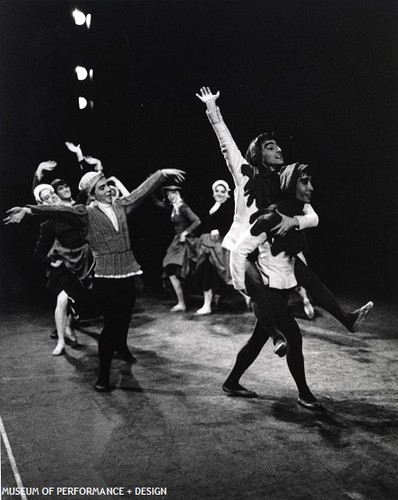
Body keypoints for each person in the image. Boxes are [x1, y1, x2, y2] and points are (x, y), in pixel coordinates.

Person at [196, 86, 373, 335]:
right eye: (270, 147)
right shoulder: (245, 174)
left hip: (273, 244)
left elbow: (312, 216)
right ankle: (275, 336)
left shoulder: (284, 182)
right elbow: (226, 144)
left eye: (278, 146)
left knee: (309, 278)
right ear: (258, 153)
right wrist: (212, 108)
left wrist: (293, 222)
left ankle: (347, 319)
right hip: (245, 247)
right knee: (259, 294)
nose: (278, 149)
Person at [5, 168, 185, 391]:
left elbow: (141, 191)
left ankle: (123, 345)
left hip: (128, 270)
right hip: (105, 275)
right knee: (111, 324)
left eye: (107, 184)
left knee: (126, 316)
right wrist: (28, 210)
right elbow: (58, 211)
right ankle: (104, 376)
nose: (108, 189)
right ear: (92, 194)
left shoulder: (121, 204)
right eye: (102, 187)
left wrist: (161, 174)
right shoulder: (85, 212)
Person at [226, 163, 323, 409]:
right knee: (294, 337)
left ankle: (231, 381)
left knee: (257, 339)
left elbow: (312, 217)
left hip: (281, 287)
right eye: (304, 182)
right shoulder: (271, 214)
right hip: (269, 289)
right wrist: (242, 287)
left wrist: (294, 221)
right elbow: (239, 250)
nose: (310, 188)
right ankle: (304, 393)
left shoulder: (295, 211)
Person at [32, 183, 94, 355]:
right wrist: (51, 263)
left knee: (84, 298)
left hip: (83, 261)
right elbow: (37, 253)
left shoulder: (73, 211)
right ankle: (61, 341)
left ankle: (69, 325)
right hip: (64, 264)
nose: (52, 196)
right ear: (43, 204)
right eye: (46, 197)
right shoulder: (49, 224)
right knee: (62, 300)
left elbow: (85, 193)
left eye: (52, 193)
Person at [194, 179, 244, 315]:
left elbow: (232, 225)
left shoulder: (228, 207)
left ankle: (248, 297)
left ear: (226, 193)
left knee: (225, 274)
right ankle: (207, 304)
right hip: (208, 245)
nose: (219, 194)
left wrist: (219, 230)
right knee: (207, 272)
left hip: (221, 246)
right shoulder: (211, 205)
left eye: (222, 191)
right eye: (217, 191)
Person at [152, 183, 201, 312]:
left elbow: (197, 220)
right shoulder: (173, 208)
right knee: (170, 270)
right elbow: (157, 203)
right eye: (168, 195)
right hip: (176, 243)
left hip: (186, 243)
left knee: (184, 270)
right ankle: (181, 303)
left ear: (177, 193)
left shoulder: (183, 207)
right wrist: (150, 187)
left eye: (172, 194)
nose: (169, 197)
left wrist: (185, 233)